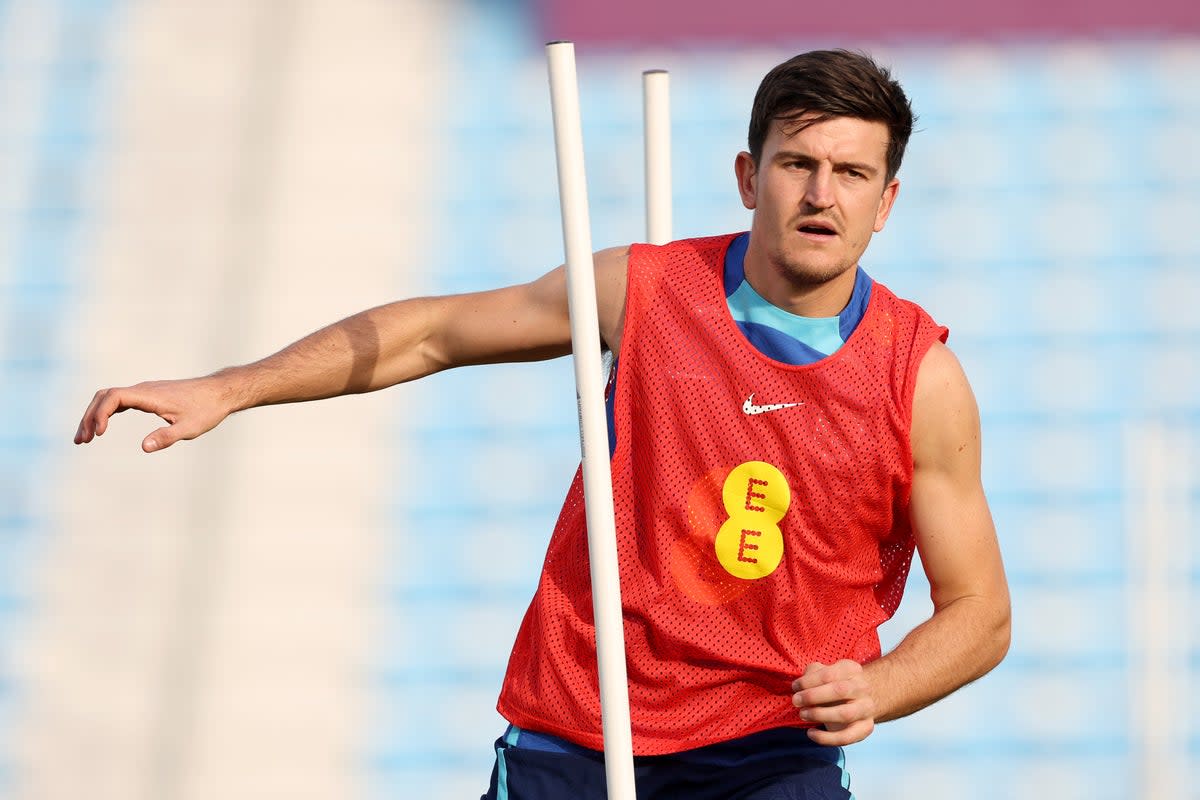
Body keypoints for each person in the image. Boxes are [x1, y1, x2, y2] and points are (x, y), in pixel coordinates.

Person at [76, 49, 1010, 799]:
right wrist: (232, 388)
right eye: (797, 163)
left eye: (852, 173)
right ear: (747, 175)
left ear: (885, 203)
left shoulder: (918, 376)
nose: (821, 194)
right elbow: (437, 334)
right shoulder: (642, 289)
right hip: (579, 725)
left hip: (770, 747)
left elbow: (982, 612)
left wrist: (878, 689)